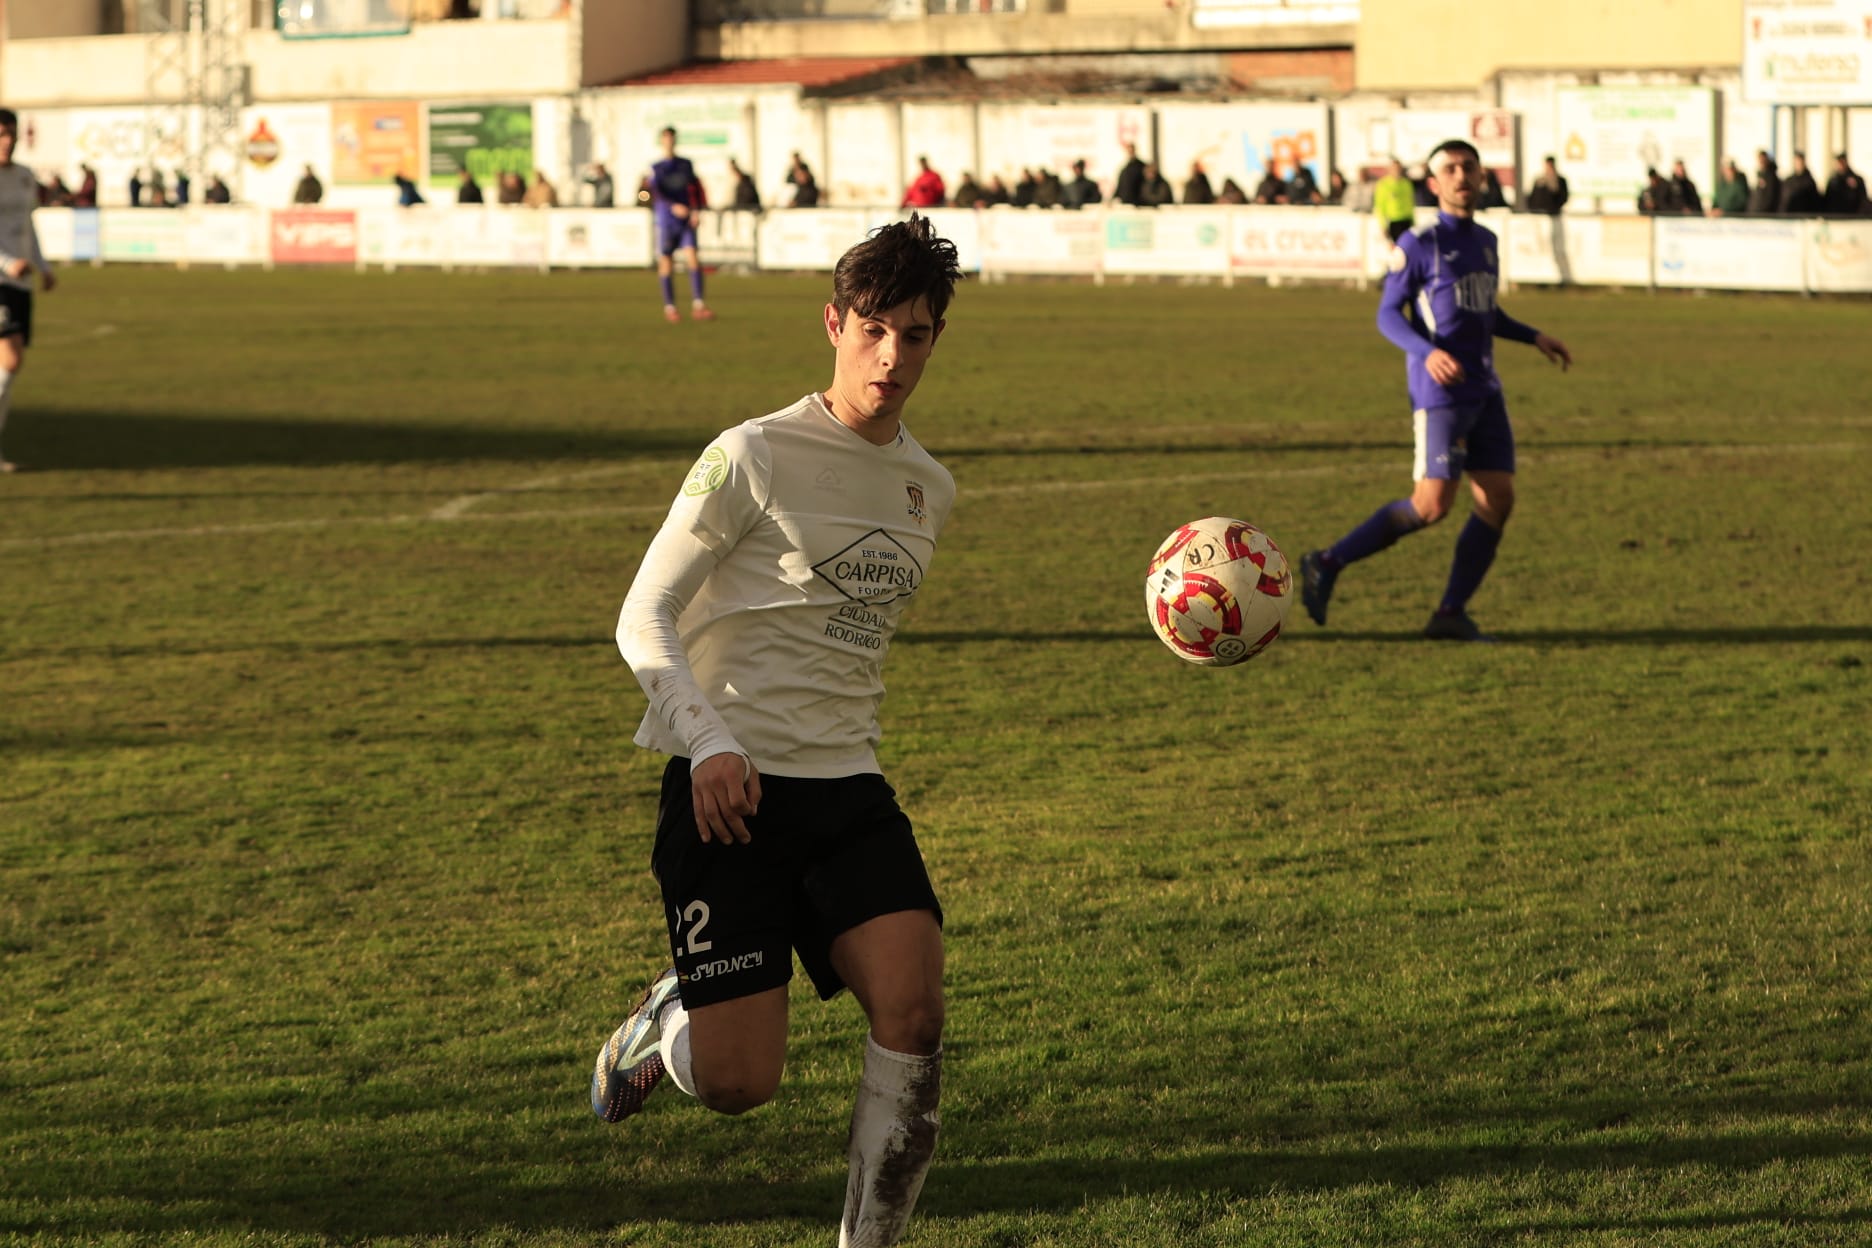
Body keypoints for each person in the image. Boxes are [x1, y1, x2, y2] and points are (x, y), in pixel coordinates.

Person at [590, 214, 963, 1248]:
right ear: (834, 324)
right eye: (875, 329)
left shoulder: (930, 489)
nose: (892, 357)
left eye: (918, 334)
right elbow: (642, 616)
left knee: (916, 1013)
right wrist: (707, 741)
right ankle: (671, 1021)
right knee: (741, 1084)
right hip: (731, 788)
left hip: (848, 788)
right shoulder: (750, 454)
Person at [1297, 139, 1572, 643]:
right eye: (1451, 169)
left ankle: (1450, 613)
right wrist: (1427, 352)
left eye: (1469, 167)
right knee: (1431, 506)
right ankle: (1326, 561)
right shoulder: (1418, 246)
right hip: (1439, 393)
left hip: (1485, 390)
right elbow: (1386, 314)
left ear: (1483, 178)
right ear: (1434, 184)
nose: (1462, 176)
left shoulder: (1487, 241)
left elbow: (1484, 313)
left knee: (1498, 499)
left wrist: (1533, 336)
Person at [0, 109, 56, 474]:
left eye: (11, 134)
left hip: (19, 282)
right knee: (11, 359)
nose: (8, 141)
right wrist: (5, 263)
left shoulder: (23, 176)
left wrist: (44, 265)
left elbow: (28, 225)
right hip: (0, 279)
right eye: (1, 134)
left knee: (9, 369)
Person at [647, 127, 714, 323]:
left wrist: (696, 210)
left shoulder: (685, 165)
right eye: (666, 139)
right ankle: (670, 308)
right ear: (661, 141)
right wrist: (672, 206)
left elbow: (694, 189)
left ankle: (699, 305)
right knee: (666, 261)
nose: (670, 142)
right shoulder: (656, 168)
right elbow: (654, 192)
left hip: (686, 220)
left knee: (693, 257)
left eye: (672, 139)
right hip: (667, 220)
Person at [1373, 157, 1415, 241]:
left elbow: (1411, 203)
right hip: (1393, 222)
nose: (1397, 170)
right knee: (1397, 250)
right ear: (1389, 169)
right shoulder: (1383, 184)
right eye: (1394, 168)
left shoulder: (1407, 184)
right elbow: (1379, 206)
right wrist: (1383, 226)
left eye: (1398, 168)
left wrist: (1413, 222)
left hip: (1407, 221)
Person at [1112, 141, 1146, 206]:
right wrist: (1113, 199)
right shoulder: (1125, 169)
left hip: (1139, 204)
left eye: (1131, 150)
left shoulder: (1142, 167)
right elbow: (1120, 187)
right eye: (1128, 151)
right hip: (1125, 203)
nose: (1130, 152)